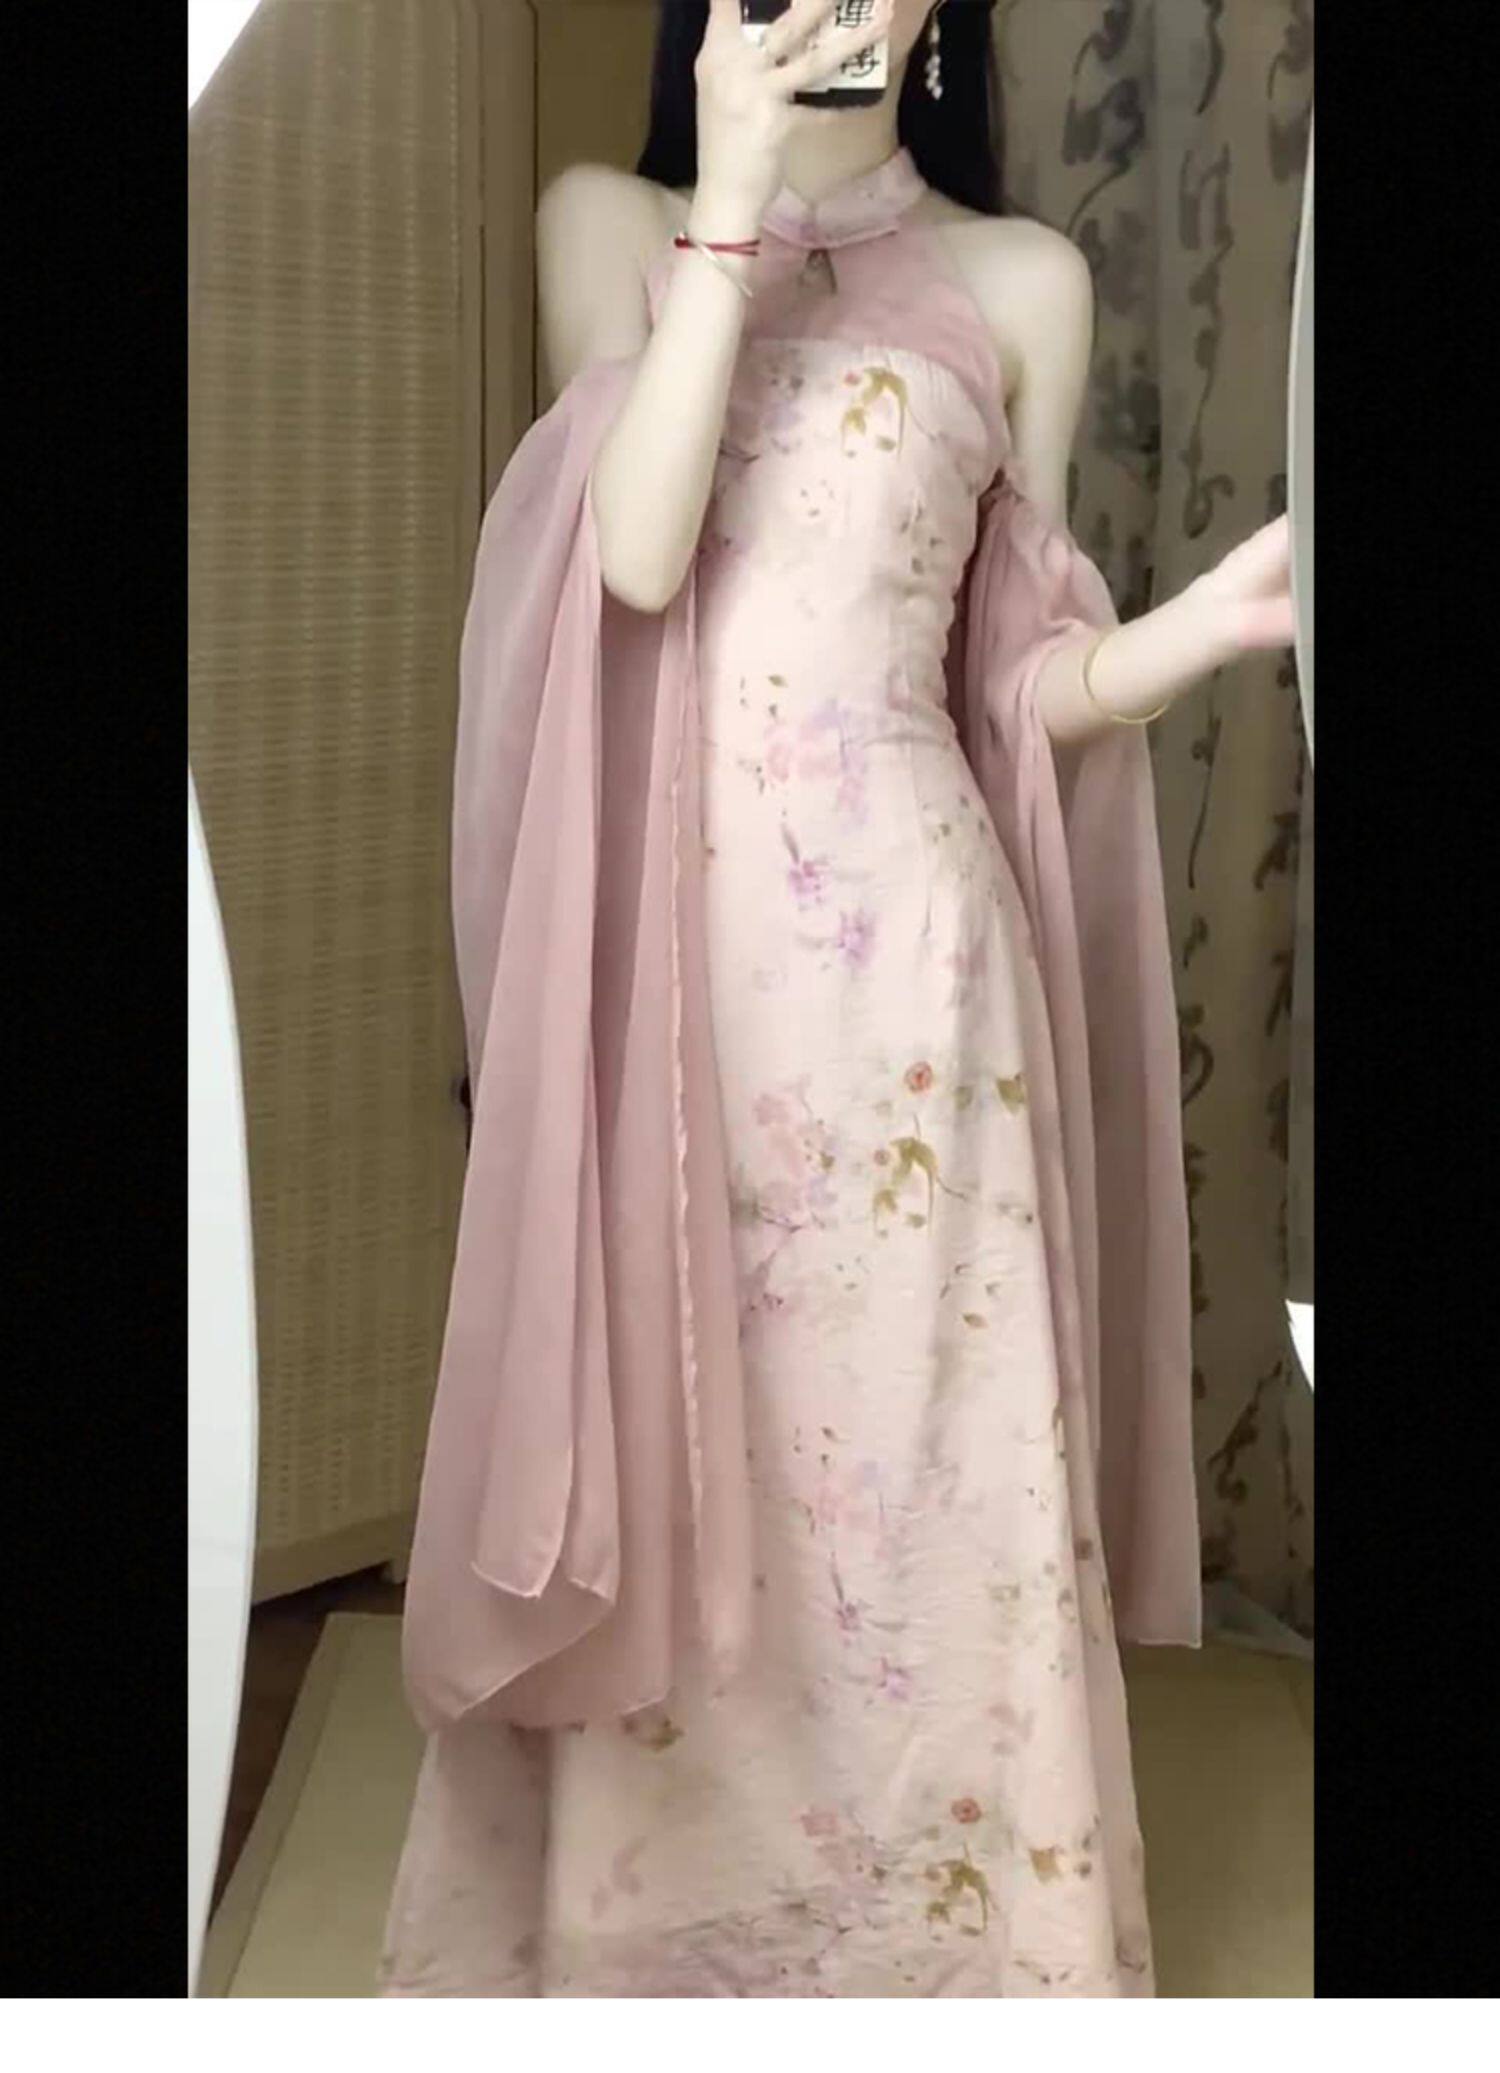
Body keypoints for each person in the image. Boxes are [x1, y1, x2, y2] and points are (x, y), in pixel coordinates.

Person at [379, 0, 1293, 1998]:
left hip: (923, 990)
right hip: (673, 968)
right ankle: (664, 1944)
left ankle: (949, 1954)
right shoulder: (608, 221)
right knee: (686, 1429)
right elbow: (632, 559)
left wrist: (1197, 631)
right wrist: (728, 195)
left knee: (912, 1464)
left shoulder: (1020, 281)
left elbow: (1011, 685)